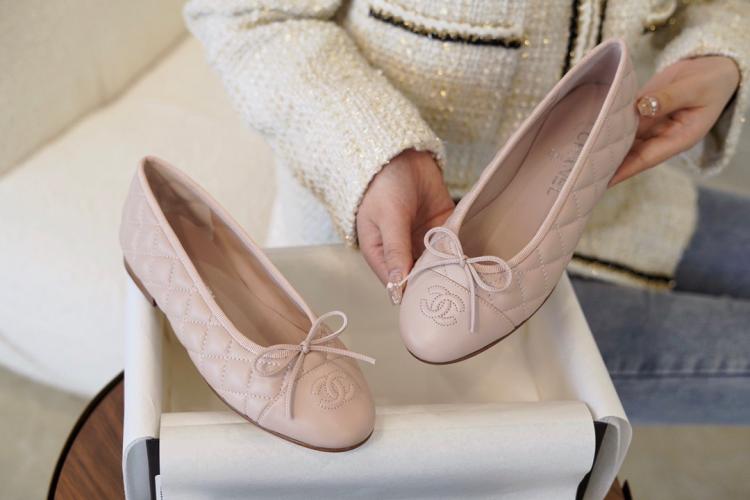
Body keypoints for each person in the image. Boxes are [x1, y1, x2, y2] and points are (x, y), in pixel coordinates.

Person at [185, 0, 749, 423]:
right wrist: (372, 152)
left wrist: (720, 55)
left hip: (627, 200)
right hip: (394, 247)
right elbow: (242, 16)